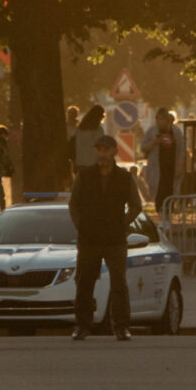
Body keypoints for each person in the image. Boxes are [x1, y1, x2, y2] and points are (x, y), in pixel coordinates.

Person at [69, 134, 141, 341]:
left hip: (114, 239)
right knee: (84, 283)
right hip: (89, 238)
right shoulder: (84, 175)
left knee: (119, 283)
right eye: (98, 149)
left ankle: (121, 326)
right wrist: (80, 225)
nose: (101, 153)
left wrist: (123, 223)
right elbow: (74, 204)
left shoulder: (125, 178)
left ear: (114, 152)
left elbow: (136, 205)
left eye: (105, 149)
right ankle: (82, 325)